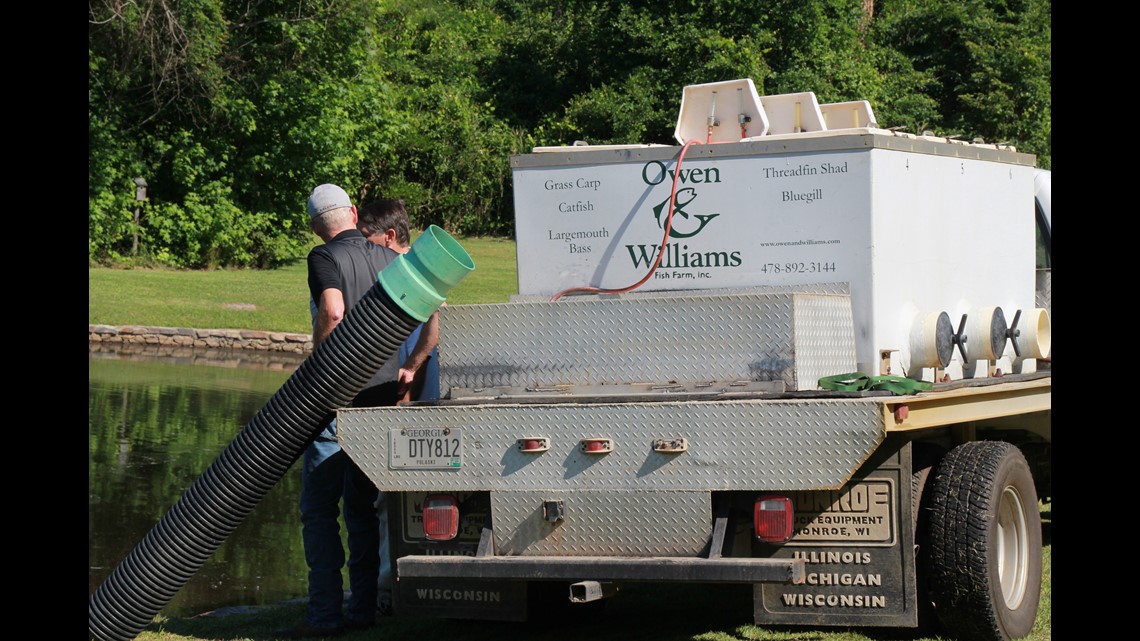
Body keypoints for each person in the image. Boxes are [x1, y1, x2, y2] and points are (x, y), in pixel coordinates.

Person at [276, 184, 403, 639]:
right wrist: (411, 366)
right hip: (381, 402)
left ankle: (325, 615)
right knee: (363, 511)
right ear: (353, 212)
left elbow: (333, 310)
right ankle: (363, 609)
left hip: (336, 403)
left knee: (318, 510)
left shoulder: (323, 257)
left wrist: (321, 369)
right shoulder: (391, 259)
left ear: (315, 226)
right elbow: (432, 314)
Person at [356, 197, 442, 616]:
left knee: (390, 503)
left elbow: (430, 336)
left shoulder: (403, 276)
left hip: (408, 408)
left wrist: (408, 375)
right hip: (421, 406)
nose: (366, 251)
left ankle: (388, 593)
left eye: (369, 241)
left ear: (390, 237)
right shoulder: (416, 271)